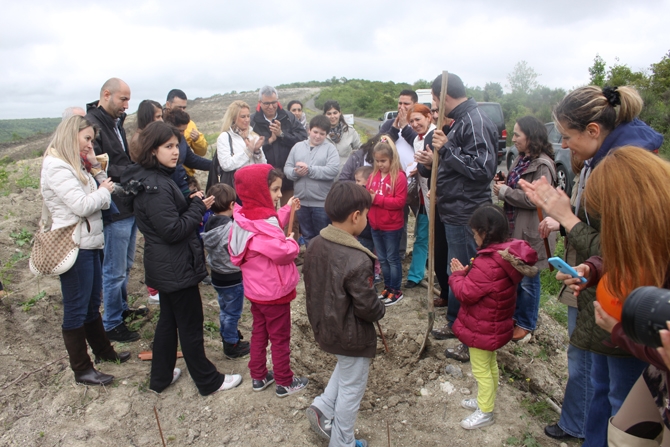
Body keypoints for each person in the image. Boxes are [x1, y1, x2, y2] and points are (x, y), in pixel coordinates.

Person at [519, 85, 663, 447]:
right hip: (612, 298)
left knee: (622, 402)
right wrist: (593, 268)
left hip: (628, 308)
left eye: (567, 136)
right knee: (602, 387)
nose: (563, 145)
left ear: (594, 130)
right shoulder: (607, 161)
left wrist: (568, 219)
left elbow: (628, 252)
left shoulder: (625, 171)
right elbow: (615, 249)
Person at [554, 147, 670, 446]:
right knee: (610, 405)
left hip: (649, 357)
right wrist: (592, 269)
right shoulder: (648, 232)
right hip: (640, 352)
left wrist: (619, 332)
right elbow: (623, 259)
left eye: (608, 214)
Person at [122, 121, 242, 395]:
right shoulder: (156, 185)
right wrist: (197, 208)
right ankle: (208, 381)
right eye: (168, 147)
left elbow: (167, 219)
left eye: (177, 146)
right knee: (189, 324)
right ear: (153, 150)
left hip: (167, 264)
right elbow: (172, 230)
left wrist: (190, 203)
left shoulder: (155, 178)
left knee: (169, 321)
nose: (176, 152)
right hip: (174, 266)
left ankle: (161, 377)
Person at [41, 116, 129, 385]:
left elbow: (104, 193)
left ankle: (104, 352)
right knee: (77, 308)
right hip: (74, 244)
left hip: (89, 241)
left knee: (92, 304)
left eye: (92, 140)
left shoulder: (76, 164)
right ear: (71, 135)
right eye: (86, 139)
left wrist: (93, 165)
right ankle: (81, 369)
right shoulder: (57, 166)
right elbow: (82, 205)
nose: (90, 144)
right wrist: (101, 192)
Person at [419, 73, 498, 358]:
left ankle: (470, 338)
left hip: (468, 212)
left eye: (436, 100)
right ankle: (455, 322)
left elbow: (483, 169)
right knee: (457, 271)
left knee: (468, 274)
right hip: (453, 209)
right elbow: (454, 163)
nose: (435, 106)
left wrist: (447, 148)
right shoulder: (459, 122)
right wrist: (433, 161)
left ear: (446, 97)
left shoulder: (475, 121)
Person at [304, 181, 386, 447]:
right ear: (355, 216)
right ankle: (343, 442)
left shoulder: (315, 243)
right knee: (352, 387)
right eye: (367, 213)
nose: (367, 219)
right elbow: (366, 306)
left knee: (346, 367)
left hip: (326, 326)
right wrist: (379, 308)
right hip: (351, 334)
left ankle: (323, 407)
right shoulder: (357, 258)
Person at [449, 204, 538, 429]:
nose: (474, 237)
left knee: (481, 370)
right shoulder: (502, 255)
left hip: (482, 326)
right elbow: (485, 285)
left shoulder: (487, 263)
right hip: (495, 323)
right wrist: (469, 272)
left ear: (485, 233)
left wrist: (457, 277)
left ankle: (485, 412)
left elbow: (466, 293)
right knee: (490, 365)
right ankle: (484, 401)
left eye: (475, 233)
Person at [228, 164, 309, 397]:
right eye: (274, 190)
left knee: (260, 333)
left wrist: (286, 208)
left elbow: (271, 220)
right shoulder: (258, 229)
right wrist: (292, 241)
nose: (278, 195)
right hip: (274, 294)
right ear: (259, 190)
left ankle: (259, 376)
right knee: (280, 337)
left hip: (257, 292)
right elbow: (283, 252)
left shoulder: (245, 217)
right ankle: (284, 381)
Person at [86, 77, 145, 342]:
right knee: (114, 268)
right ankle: (111, 323)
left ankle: (120, 310)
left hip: (127, 205)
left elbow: (118, 160)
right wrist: (134, 172)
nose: (126, 105)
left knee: (126, 263)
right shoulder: (93, 125)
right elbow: (99, 166)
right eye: (123, 99)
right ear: (106, 94)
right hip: (114, 207)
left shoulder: (114, 123)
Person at [492, 116, 556, 343]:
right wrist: (503, 183)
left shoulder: (542, 165)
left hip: (530, 231)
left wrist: (504, 193)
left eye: (518, 134)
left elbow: (536, 200)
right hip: (515, 226)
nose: (514, 138)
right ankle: (517, 317)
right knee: (516, 274)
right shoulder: (522, 159)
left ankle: (527, 323)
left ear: (531, 136)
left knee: (529, 278)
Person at [201, 183, 250, 359]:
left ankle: (228, 333)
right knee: (233, 312)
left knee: (225, 308)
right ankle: (231, 344)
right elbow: (238, 251)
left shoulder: (209, 225)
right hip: (232, 277)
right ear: (232, 205)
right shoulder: (230, 229)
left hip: (217, 275)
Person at [284, 115, 339, 246]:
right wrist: (295, 173)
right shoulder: (297, 147)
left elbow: (333, 170)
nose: (318, 136)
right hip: (301, 202)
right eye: (315, 132)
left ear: (326, 134)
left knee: (323, 237)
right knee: (308, 236)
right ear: (309, 130)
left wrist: (310, 170)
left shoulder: (330, 148)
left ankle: (324, 264)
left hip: (321, 203)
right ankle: (311, 262)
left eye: (322, 133)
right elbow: (287, 168)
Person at [366, 136, 408, 306]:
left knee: (392, 258)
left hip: (391, 225)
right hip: (376, 224)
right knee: (382, 258)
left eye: (383, 161)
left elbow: (399, 202)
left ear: (392, 159)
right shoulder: (373, 175)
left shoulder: (399, 177)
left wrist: (377, 199)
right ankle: (388, 287)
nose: (380, 164)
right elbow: (368, 195)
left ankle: (395, 290)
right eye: (377, 161)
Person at [251, 85, 309, 205]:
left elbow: (303, 138)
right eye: (267, 103)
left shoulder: (288, 117)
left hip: (288, 174)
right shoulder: (253, 121)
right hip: (264, 176)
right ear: (259, 102)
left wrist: (282, 135)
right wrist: (269, 141)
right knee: (266, 213)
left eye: (274, 102)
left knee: (289, 213)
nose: (271, 106)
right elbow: (248, 145)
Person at [404, 104, 435, 289]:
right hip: (423, 196)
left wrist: (423, 168)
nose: (415, 124)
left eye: (418, 119)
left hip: (437, 195)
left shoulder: (436, 135)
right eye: (412, 121)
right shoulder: (417, 139)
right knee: (422, 235)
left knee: (440, 237)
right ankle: (415, 275)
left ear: (428, 117)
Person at [162, 109, 212, 196]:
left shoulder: (181, 139)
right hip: (170, 189)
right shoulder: (160, 144)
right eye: (180, 130)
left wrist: (214, 165)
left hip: (183, 185)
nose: (183, 133)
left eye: (184, 130)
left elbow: (191, 160)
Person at [164, 89, 208, 178]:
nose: (182, 111)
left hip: (184, 178)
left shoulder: (188, 125)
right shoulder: (159, 129)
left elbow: (191, 158)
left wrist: (215, 165)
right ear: (168, 105)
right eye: (179, 107)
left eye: (184, 108)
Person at [216, 100, 266, 177]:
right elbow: (226, 164)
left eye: (248, 116)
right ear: (233, 118)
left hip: (255, 181)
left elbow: (263, 165)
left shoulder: (254, 136)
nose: (247, 120)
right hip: (236, 184)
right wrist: (248, 152)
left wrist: (257, 151)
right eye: (243, 117)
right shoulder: (224, 137)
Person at [323, 100, 361, 171]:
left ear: (340, 113)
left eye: (335, 113)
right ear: (325, 114)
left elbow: (360, 149)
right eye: (329, 114)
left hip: (346, 174)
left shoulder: (350, 131)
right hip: (325, 174)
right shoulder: (320, 132)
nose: (332, 116)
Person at [354, 166, 375, 254]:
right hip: (362, 233)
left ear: (368, 180)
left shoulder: (367, 195)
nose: (356, 183)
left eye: (358, 181)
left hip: (366, 233)